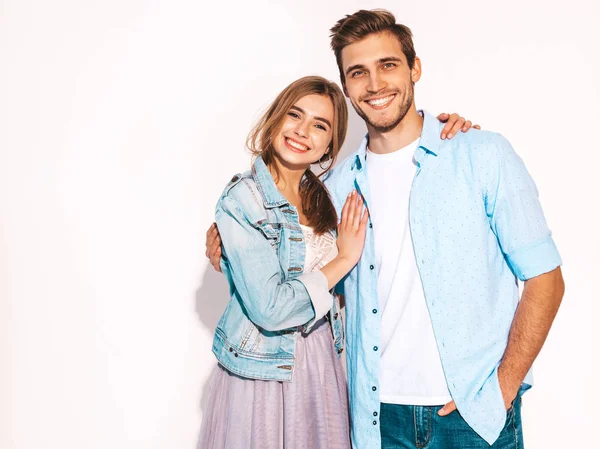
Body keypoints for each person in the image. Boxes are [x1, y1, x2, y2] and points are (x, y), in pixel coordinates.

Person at [206, 9, 565, 449]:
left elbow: (545, 278)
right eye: (358, 72)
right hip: (374, 419)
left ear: (414, 68)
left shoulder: (481, 155)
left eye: (388, 65)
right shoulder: (332, 191)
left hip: (472, 416)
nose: (374, 85)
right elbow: (297, 268)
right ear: (346, 87)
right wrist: (230, 245)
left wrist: (504, 385)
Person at [200, 74, 476, 449]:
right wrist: (344, 257)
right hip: (264, 374)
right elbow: (271, 307)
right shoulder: (242, 200)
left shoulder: (328, 197)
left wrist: (451, 133)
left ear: (331, 143)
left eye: (320, 125)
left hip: (324, 366)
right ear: (276, 118)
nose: (302, 131)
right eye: (294, 115)